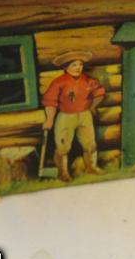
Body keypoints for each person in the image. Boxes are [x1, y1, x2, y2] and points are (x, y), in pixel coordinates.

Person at [42, 50, 106, 182]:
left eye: (80, 64)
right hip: (66, 116)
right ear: (66, 67)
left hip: (84, 115)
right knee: (63, 146)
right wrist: (49, 119)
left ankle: (91, 167)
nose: (78, 68)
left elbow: (99, 93)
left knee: (90, 143)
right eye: (74, 65)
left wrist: (92, 106)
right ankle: (63, 173)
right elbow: (50, 102)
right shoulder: (58, 82)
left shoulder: (88, 80)